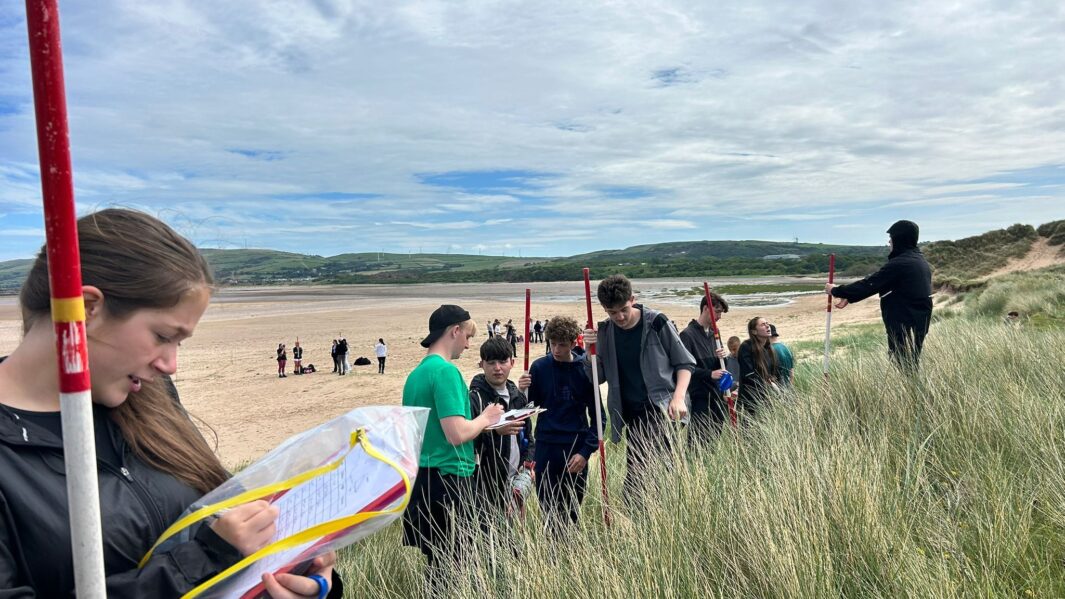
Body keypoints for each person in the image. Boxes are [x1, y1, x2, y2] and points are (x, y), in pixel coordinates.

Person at [0, 209, 340, 598]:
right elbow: (212, 552)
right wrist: (208, 558)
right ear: (85, 308)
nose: (170, 365)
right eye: (163, 335)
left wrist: (302, 575)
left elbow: (223, 517)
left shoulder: (150, 400)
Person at [401, 305, 504, 581]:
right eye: (468, 337)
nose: (469, 345)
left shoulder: (415, 375)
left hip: (422, 480)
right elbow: (456, 433)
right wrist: (486, 417)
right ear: (455, 331)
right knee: (455, 567)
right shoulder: (446, 372)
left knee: (438, 564)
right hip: (449, 480)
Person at [583, 274, 695, 503]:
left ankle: (634, 513)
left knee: (638, 472)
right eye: (612, 312)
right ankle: (667, 512)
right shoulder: (605, 332)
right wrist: (588, 349)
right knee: (661, 468)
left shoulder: (656, 322)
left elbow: (685, 363)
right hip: (629, 413)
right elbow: (599, 377)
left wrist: (679, 398)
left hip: (662, 407)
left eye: (623, 309)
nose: (620, 317)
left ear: (632, 299)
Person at [826, 219, 933, 372]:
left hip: (904, 324)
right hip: (916, 322)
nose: (889, 241)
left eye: (892, 237)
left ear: (899, 239)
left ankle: (909, 393)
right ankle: (910, 390)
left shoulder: (901, 263)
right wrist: (849, 297)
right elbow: (881, 283)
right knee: (910, 363)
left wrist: (836, 290)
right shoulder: (919, 261)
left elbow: (870, 284)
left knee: (904, 366)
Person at [526, 316, 600, 528]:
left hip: (575, 449)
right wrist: (523, 390)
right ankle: (550, 558)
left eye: (562, 345)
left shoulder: (585, 369)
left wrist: (586, 452)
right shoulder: (539, 368)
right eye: (552, 344)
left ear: (573, 344)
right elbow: (529, 409)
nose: (556, 349)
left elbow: (598, 417)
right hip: (546, 447)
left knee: (572, 513)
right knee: (549, 513)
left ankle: (572, 556)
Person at [468, 337, 533, 521]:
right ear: (482, 364)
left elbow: (529, 437)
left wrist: (528, 466)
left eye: (503, 361)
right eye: (491, 362)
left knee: (515, 542)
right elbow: (467, 440)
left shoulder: (518, 398)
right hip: (485, 486)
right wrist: (495, 431)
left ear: (512, 363)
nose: (497, 368)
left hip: (517, 483)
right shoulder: (474, 399)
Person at [678, 294, 730, 448]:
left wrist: (723, 357)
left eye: (721, 313)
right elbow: (685, 368)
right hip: (699, 395)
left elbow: (720, 365)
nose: (719, 316)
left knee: (715, 436)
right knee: (698, 439)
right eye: (717, 311)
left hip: (716, 393)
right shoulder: (687, 334)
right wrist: (709, 374)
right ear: (706, 308)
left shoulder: (715, 332)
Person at [737, 317, 780, 417]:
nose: (767, 326)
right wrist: (768, 384)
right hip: (750, 400)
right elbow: (748, 375)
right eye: (762, 324)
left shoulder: (769, 349)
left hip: (767, 399)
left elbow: (773, 373)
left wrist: (773, 384)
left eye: (767, 323)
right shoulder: (746, 347)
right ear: (754, 331)